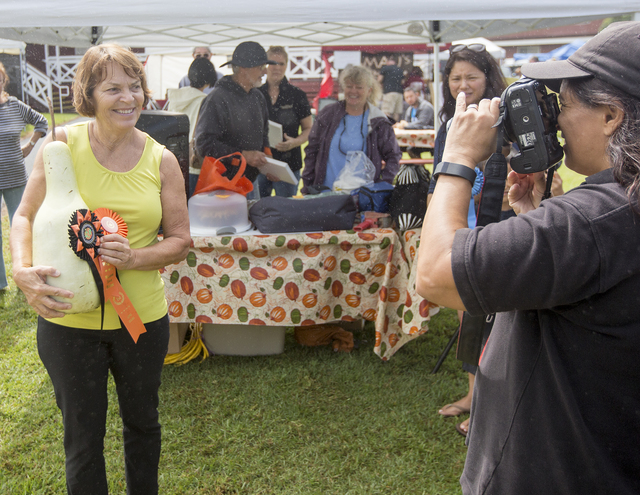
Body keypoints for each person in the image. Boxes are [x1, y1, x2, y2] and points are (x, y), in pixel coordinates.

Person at [417, 21, 640, 493]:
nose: (556, 119)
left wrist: (456, 160)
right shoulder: (613, 214)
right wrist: (536, 218)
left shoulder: (590, 222)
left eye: (568, 103)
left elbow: (436, 274)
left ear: (611, 116)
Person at [10, 43, 190, 494]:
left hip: (141, 322)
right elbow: (25, 216)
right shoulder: (59, 147)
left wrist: (134, 258)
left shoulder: (162, 160)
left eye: (135, 87)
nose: (128, 98)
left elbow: (180, 241)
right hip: (68, 321)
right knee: (83, 441)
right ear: (88, 94)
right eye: (113, 88)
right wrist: (20, 269)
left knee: (143, 427)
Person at [425, 44, 506, 434]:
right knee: (467, 314)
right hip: (460, 229)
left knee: (499, 319)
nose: (463, 85)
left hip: (499, 228)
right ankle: (474, 395)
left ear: (488, 77)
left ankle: (492, 407)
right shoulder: (448, 125)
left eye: (470, 76)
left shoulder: (506, 120)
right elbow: (439, 178)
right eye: (455, 78)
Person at [194, 41, 279, 194]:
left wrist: (269, 163)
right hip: (222, 184)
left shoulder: (258, 97)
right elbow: (204, 144)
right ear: (243, 69)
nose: (265, 71)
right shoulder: (217, 99)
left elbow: (263, 134)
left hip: (251, 182)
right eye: (261, 67)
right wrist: (243, 155)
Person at [301, 65, 400, 194]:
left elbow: (393, 157)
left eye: (359, 87)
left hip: (361, 198)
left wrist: (381, 185)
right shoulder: (328, 114)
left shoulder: (378, 121)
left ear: (369, 91)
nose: (353, 91)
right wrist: (307, 186)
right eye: (349, 86)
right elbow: (311, 151)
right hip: (325, 194)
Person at [0, 62, 48, 291]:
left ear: (3, 81)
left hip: (16, 177)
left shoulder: (15, 106)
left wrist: (30, 144)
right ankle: (0, 283)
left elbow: (42, 122)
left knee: (24, 226)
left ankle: (28, 274)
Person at [256, 46, 312, 197]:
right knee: (259, 210)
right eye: (272, 63)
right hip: (261, 163)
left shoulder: (297, 95)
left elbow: (308, 129)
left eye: (281, 64)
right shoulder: (255, 94)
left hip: (288, 164)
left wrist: (294, 142)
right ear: (265, 66)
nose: (277, 68)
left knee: (286, 211)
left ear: (287, 66)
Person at [166, 57, 217, 196]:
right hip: (193, 161)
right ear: (208, 78)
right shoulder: (204, 100)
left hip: (173, 159)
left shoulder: (175, 98)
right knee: (195, 208)